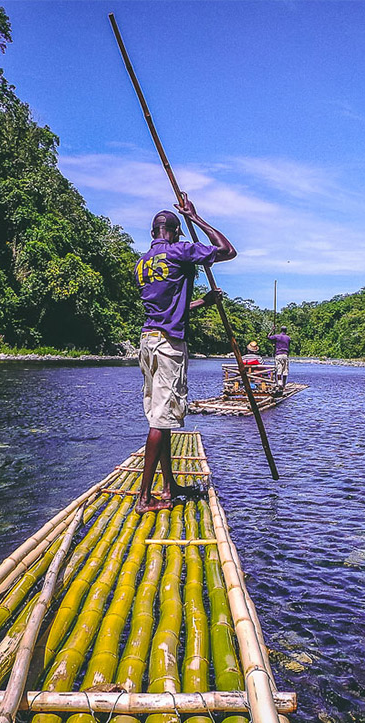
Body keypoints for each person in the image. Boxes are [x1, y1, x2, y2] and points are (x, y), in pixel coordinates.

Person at [135, 193, 236, 513]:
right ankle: (144, 498)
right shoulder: (179, 251)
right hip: (167, 346)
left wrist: (203, 303)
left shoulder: (141, 265)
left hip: (148, 341)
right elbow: (227, 251)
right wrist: (196, 217)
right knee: (161, 421)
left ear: (152, 233)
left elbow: (171, 308)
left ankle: (168, 486)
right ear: (176, 232)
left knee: (158, 417)